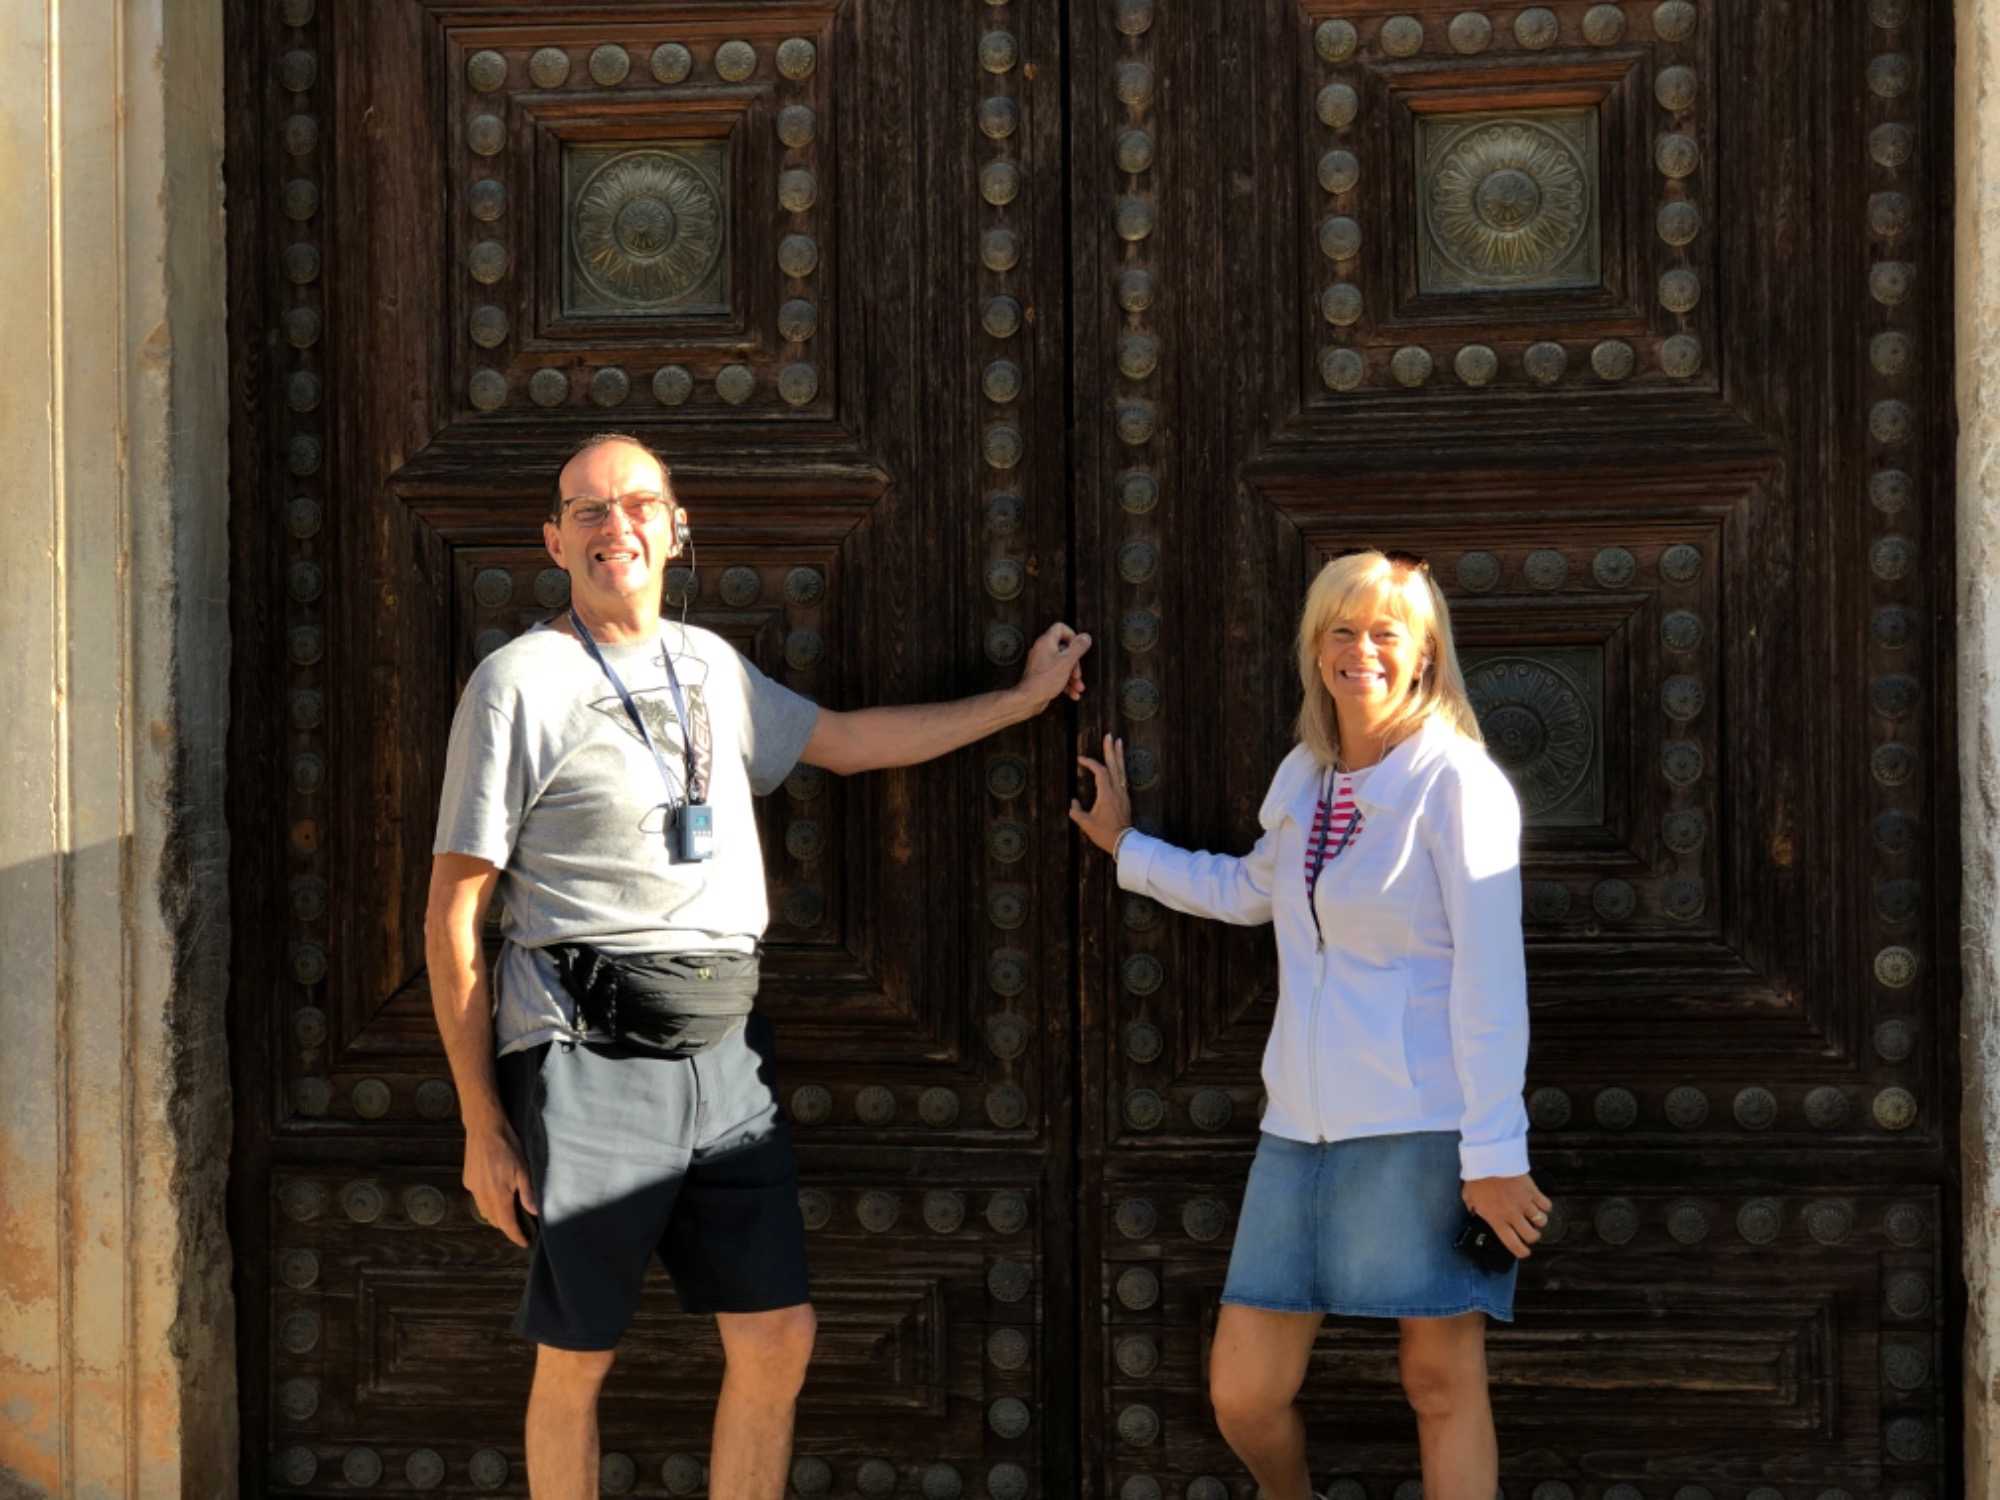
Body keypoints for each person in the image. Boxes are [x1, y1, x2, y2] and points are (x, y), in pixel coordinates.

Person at [425, 432, 1091, 1500]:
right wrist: (481, 1123)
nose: (615, 527)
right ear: (552, 541)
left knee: (779, 1336)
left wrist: (1017, 702)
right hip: (587, 1052)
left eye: (637, 505)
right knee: (578, 1354)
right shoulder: (516, 684)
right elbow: (453, 915)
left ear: (676, 527)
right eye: (587, 510)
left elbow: (851, 742)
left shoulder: (712, 668)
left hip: (726, 1056)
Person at [1070, 549, 1547, 1500]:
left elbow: (1492, 978)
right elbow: (1255, 890)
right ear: (1315, 650)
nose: (1360, 650)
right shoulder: (1308, 778)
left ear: (1424, 654)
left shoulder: (1457, 784)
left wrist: (1495, 1150)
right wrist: (1126, 847)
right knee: (1244, 1393)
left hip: (1422, 1129)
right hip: (1297, 1134)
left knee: (1440, 1382)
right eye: (1341, 631)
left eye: (1385, 633)